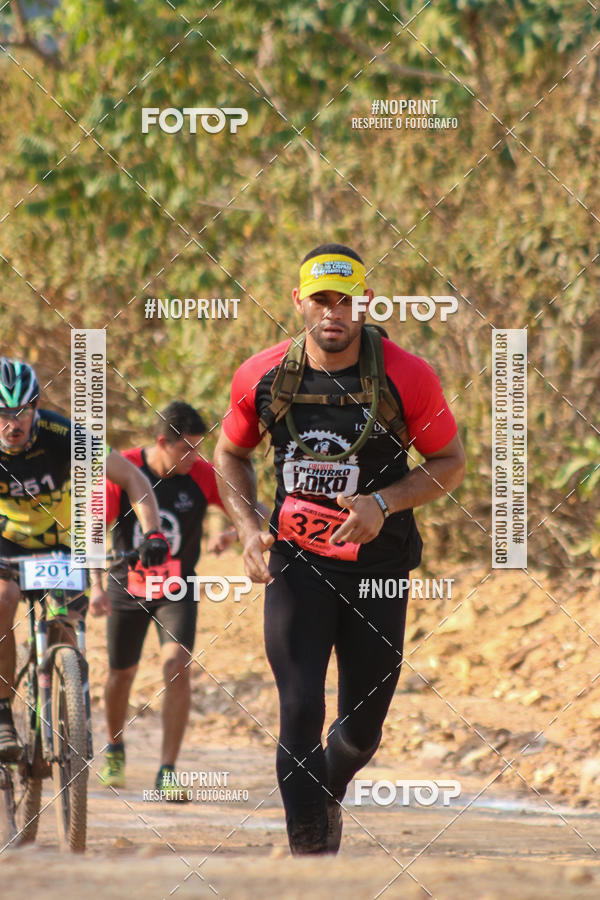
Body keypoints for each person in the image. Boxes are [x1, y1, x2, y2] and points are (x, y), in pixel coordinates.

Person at [214, 243, 466, 854]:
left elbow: (449, 462)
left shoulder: (408, 376)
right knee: (300, 707)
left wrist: (383, 504)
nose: (334, 312)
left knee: (360, 732)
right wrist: (248, 527)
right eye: (321, 299)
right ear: (298, 301)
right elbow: (229, 454)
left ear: (366, 303)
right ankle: (311, 863)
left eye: (346, 300)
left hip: (378, 569)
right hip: (297, 565)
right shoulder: (262, 375)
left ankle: (325, 787)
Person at [0, 357, 169, 760]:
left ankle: (69, 708)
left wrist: (153, 532)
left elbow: (133, 478)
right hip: (6, 543)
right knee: (3, 599)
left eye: (22, 411)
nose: (12, 423)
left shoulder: (62, 434)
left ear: (36, 407)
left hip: (60, 543)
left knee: (66, 625)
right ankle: (3, 712)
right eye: (2, 413)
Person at [93, 401, 236, 798]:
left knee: (177, 666)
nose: (195, 457)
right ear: (162, 442)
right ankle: (115, 748)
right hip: (127, 583)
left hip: (177, 586)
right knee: (121, 673)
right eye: (186, 448)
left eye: (199, 447)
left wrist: (234, 532)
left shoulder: (201, 474)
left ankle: (167, 770)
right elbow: (93, 528)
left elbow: (249, 507)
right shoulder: (124, 468)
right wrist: (96, 586)